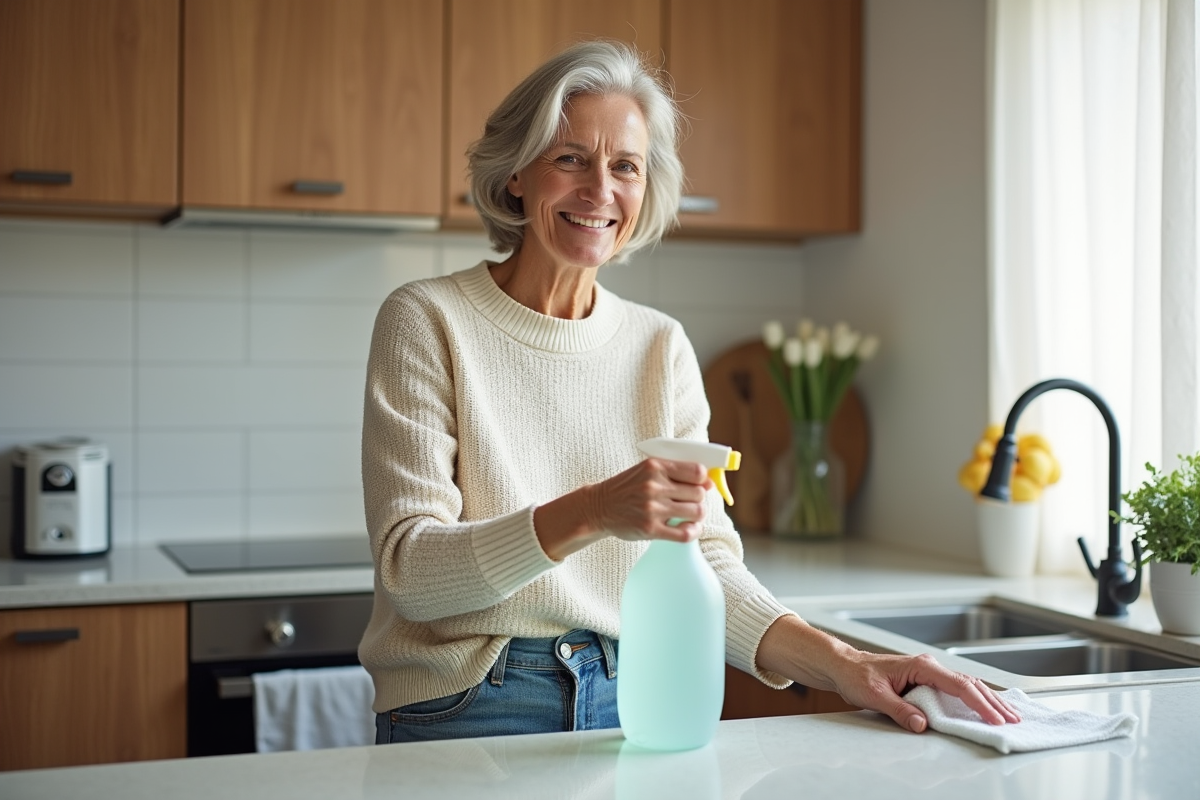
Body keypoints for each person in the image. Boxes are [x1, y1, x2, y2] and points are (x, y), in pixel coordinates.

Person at [359, 39, 1019, 745]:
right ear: (517, 173)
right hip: (473, 699)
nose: (600, 191)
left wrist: (849, 663)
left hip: (637, 691)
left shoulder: (660, 346)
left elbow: (707, 563)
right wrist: (595, 510)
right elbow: (413, 574)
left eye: (625, 167)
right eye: (571, 158)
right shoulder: (428, 320)